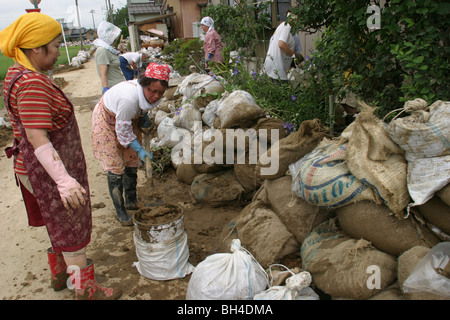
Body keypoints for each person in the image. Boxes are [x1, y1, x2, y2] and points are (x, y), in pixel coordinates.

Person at [0, 12, 122, 300]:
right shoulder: (32, 84)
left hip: (35, 168)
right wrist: (64, 181)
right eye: (54, 46)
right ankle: (84, 290)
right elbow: (37, 137)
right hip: (48, 171)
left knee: (57, 225)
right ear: (35, 48)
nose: (57, 52)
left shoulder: (17, 74)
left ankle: (60, 276)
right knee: (71, 231)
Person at [91, 63, 170, 226]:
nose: (155, 96)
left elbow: (140, 109)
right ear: (143, 85)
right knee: (115, 164)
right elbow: (123, 132)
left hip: (126, 118)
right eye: (152, 91)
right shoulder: (128, 99)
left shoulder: (145, 97)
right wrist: (140, 149)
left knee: (131, 159)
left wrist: (143, 117)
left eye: (160, 93)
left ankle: (131, 201)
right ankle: (120, 211)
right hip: (107, 119)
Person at [263, 10, 303, 82]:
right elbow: (281, 44)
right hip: (278, 69)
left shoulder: (281, 27)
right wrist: (293, 55)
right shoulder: (287, 26)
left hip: (270, 67)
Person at [94, 21, 125, 95]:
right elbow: (103, 74)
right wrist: (106, 89)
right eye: (115, 36)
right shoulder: (102, 50)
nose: (116, 38)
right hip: (113, 90)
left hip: (119, 88)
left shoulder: (109, 49)